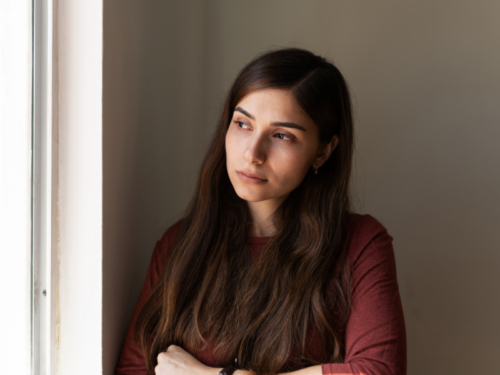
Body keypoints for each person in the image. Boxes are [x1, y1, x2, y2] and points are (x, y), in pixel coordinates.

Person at [115, 48, 406, 375]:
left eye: (282, 135)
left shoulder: (361, 244)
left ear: (323, 151)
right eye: (242, 124)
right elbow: (134, 369)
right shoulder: (179, 245)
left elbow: (378, 371)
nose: (253, 153)